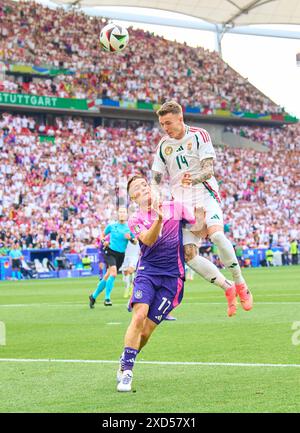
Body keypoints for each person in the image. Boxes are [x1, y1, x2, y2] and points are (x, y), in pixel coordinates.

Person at [151, 100, 253, 317]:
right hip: (182, 204)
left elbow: (209, 170)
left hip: (205, 195)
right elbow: (156, 177)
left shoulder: (199, 135)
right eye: (162, 124)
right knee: (189, 255)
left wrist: (193, 178)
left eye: (168, 123)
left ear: (180, 118)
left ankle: (241, 283)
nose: (165, 128)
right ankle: (228, 288)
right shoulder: (163, 145)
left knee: (216, 236)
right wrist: (154, 193)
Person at [117, 175, 197, 392]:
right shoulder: (135, 220)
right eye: (137, 187)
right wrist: (159, 220)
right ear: (133, 197)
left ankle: (126, 355)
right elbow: (148, 240)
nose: (143, 187)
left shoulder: (173, 206)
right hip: (148, 273)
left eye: (144, 183)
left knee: (145, 333)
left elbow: (195, 221)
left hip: (172, 278)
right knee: (139, 315)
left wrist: (187, 190)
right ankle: (127, 371)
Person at [89, 207, 135, 307]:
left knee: (107, 276)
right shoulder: (112, 226)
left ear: (127, 215)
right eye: (120, 212)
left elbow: (135, 241)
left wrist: (131, 238)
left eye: (124, 212)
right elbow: (102, 235)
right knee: (113, 274)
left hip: (121, 255)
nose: (122, 214)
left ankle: (93, 296)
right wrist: (103, 241)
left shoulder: (129, 227)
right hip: (110, 252)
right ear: (117, 215)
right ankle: (107, 298)